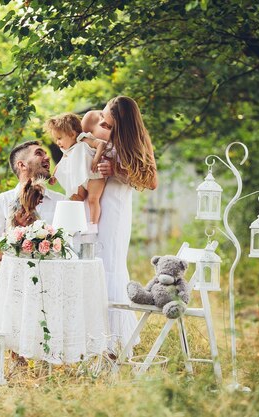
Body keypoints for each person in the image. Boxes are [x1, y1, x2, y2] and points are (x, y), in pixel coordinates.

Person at [81, 96, 158, 352]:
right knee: (91, 264)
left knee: (109, 266)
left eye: (109, 122)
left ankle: (113, 343)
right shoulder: (107, 137)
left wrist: (116, 171)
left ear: (122, 122)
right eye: (103, 119)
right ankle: (91, 337)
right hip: (94, 207)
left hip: (115, 210)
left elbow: (151, 182)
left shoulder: (137, 141)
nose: (103, 124)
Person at [0, 141, 65, 312]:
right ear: (22, 165)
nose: (47, 157)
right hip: (12, 282)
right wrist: (15, 231)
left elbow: (72, 250)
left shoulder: (62, 202)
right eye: (39, 153)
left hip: (54, 283)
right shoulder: (2, 203)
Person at [44, 113, 107, 230]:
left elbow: (101, 144)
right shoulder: (66, 150)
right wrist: (54, 176)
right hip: (80, 178)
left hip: (93, 175)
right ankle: (75, 223)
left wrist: (96, 159)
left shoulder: (82, 139)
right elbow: (61, 163)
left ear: (72, 134)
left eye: (59, 138)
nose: (57, 143)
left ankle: (93, 225)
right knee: (76, 198)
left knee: (93, 199)